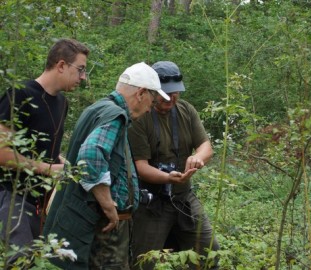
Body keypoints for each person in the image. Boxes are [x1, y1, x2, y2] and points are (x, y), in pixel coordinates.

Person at [43, 62, 170, 270]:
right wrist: (108, 205)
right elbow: (91, 156)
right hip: (103, 225)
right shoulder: (115, 116)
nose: (150, 109)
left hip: (95, 223)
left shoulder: (99, 108)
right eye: (152, 100)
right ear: (141, 93)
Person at [0, 38, 89, 256]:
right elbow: (2, 152)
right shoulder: (20, 94)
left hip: (40, 202)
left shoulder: (62, 103)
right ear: (61, 65)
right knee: (19, 262)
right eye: (80, 69)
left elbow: (41, 147)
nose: (83, 77)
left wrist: (61, 162)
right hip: (10, 197)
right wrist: (47, 168)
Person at [128, 60, 220, 270]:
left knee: (208, 254)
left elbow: (206, 146)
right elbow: (139, 167)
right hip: (152, 202)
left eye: (175, 92)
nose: (171, 97)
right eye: (165, 93)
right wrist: (167, 178)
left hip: (183, 197)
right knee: (143, 262)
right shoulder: (140, 117)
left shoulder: (186, 110)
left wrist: (198, 158)